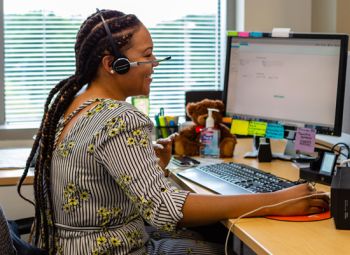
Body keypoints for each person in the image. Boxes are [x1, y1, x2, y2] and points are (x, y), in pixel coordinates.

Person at [17, 9, 329, 255]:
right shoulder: (120, 116)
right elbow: (165, 210)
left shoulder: (70, 107)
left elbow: (95, 189)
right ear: (115, 64)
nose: (154, 63)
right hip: (118, 250)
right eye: (148, 54)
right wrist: (273, 200)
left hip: (70, 248)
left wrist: (155, 169)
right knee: (234, 249)